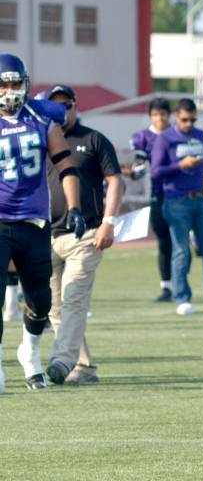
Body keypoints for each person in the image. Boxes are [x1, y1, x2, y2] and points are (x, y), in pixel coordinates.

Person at [0, 54, 85, 391]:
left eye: (14, 82)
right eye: (3, 83)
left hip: (35, 221)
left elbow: (65, 164)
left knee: (41, 301)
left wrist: (75, 207)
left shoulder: (40, 116)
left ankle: (29, 351)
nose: (10, 90)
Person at [40, 85, 122, 386]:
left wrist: (109, 222)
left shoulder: (93, 139)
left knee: (74, 299)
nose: (62, 111)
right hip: (46, 234)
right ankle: (84, 366)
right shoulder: (41, 139)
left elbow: (116, 181)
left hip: (85, 234)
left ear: (76, 107)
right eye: (55, 106)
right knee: (53, 306)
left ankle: (61, 361)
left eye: (67, 105)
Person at [151, 98, 203, 315]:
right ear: (177, 117)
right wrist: (181, 165)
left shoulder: (200, 136)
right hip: (176, 200)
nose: (189, 124)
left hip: (200, 199)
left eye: (192, 120)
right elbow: (156, 172)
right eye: (185, 120)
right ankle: (182, 298)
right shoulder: (165, 138)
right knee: (181, 251)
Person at [129, 98, 176, 302]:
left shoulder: (177, 134)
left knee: (180, 242)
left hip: (179, 193)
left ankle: (180, 284)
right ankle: (167, 287)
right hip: (158, 194)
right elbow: (139, 169)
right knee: (164, 241)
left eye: (163, 114)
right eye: (155, 115)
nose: (159, 119)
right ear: (150, 117)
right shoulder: (143, 137)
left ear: (169, 115)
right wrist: (131, 172)